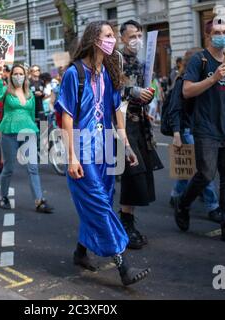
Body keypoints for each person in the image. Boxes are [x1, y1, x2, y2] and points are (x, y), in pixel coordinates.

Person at [56, 21, 150, 286]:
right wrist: (72, 157)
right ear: (95, 39)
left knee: (102, 203)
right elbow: (66, 117)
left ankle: (80, 252)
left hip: (106, 147)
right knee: (97, 202)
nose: (114, 40)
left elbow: (115, 111)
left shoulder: (108, 72)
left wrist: (126, 145)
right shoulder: (75, 73)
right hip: (83, 150)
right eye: (109, 35)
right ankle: (124, 267)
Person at [173, 19, 225, 246]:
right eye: (217, 32)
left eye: (224, 31)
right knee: (206, 174)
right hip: (206, 130)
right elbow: (187, 90)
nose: (222, 35)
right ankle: (183, 203)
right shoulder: (199, 60)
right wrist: (213, 78)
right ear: (208, 36)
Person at [118, 20, 164, 250]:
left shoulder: (142, 61)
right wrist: (131, 91)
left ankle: (126, 222)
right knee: (132, 173)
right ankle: (123, 225)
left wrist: (147, 106)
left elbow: (147, 91)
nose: (137, 39)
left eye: (139, 35)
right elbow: (112, 91)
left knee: (139, 174)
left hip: (139, 124)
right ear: (122, 39)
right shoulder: (115, 61)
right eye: (132, 36)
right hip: (120, 125)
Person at [0, 61, 54, 214]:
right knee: (9, 167)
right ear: (11, 76)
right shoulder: (6, 91)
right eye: (15, 74)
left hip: (28, 131)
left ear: (25, 76)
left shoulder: (30, 94)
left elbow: (31, 115)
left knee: (33, 167)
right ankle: (3, 196)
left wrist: (35, 132)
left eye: (21, 74)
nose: (18, 76)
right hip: (9, 132)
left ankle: (39, 201)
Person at [168, 48, 222, 223]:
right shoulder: (182, 82)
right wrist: (176, 133)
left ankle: (176, 194)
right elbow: (174, 109)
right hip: (187, 130)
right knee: (204, 169)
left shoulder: (204, 81)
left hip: (202, 128)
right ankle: (213, 206)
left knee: (189, 168)